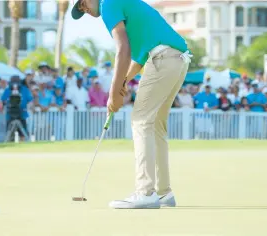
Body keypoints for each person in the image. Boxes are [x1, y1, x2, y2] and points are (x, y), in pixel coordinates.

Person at [71, 0, 192, 208]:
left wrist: (113, 93)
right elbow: (138, 57)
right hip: (177, 61)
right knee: (155, 126)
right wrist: (123, 83)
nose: (84, 9)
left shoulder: (108, 4)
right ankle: (164, 193)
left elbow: (122, 51)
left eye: (82, 3)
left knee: (140, 120)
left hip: (163, 59)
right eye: (80, 8)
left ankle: (145, 192)